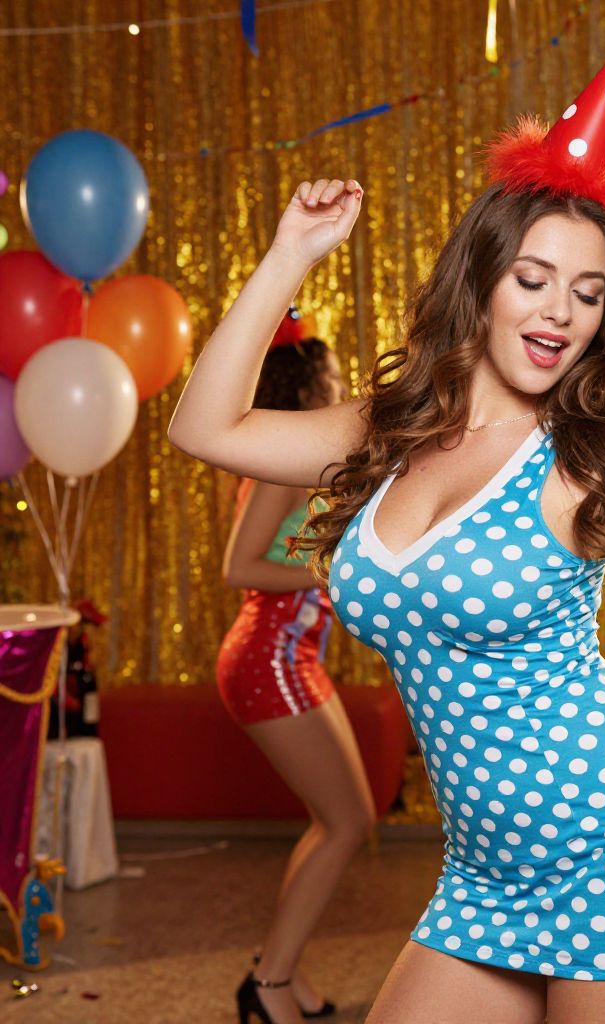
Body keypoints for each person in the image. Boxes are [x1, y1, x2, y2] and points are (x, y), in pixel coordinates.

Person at [169, 40, 605, 1024]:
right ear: (480, 279)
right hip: (485, 872)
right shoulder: (389, 430)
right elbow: (203, 428)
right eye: (534, 278)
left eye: (588, 292)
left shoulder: (598, 452)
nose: (560, 312)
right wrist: (290, 254)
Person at [216, 336, 376, 1023]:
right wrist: (329, 577)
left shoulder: (301, 461)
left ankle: (277, 968)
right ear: (308, 390)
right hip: (268, 658)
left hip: (292, 656)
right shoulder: (278, 469)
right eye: (331, 379)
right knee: (345, 825)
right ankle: (270, 983)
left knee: (342, 821)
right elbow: (239, 568)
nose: (340, 389)